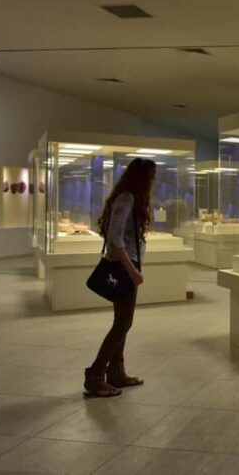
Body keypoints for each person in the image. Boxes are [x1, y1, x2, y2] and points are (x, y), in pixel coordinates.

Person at [84, 158, 156, 397]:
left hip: (128, 265)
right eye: (151, 177)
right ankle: (95, 375)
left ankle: (116, 372)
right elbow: (115, 239)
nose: (153, 182)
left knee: (122, 322)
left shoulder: (129, 198)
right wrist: (132, 270)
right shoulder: (127, 198)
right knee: (123, 323)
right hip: (125, 267)